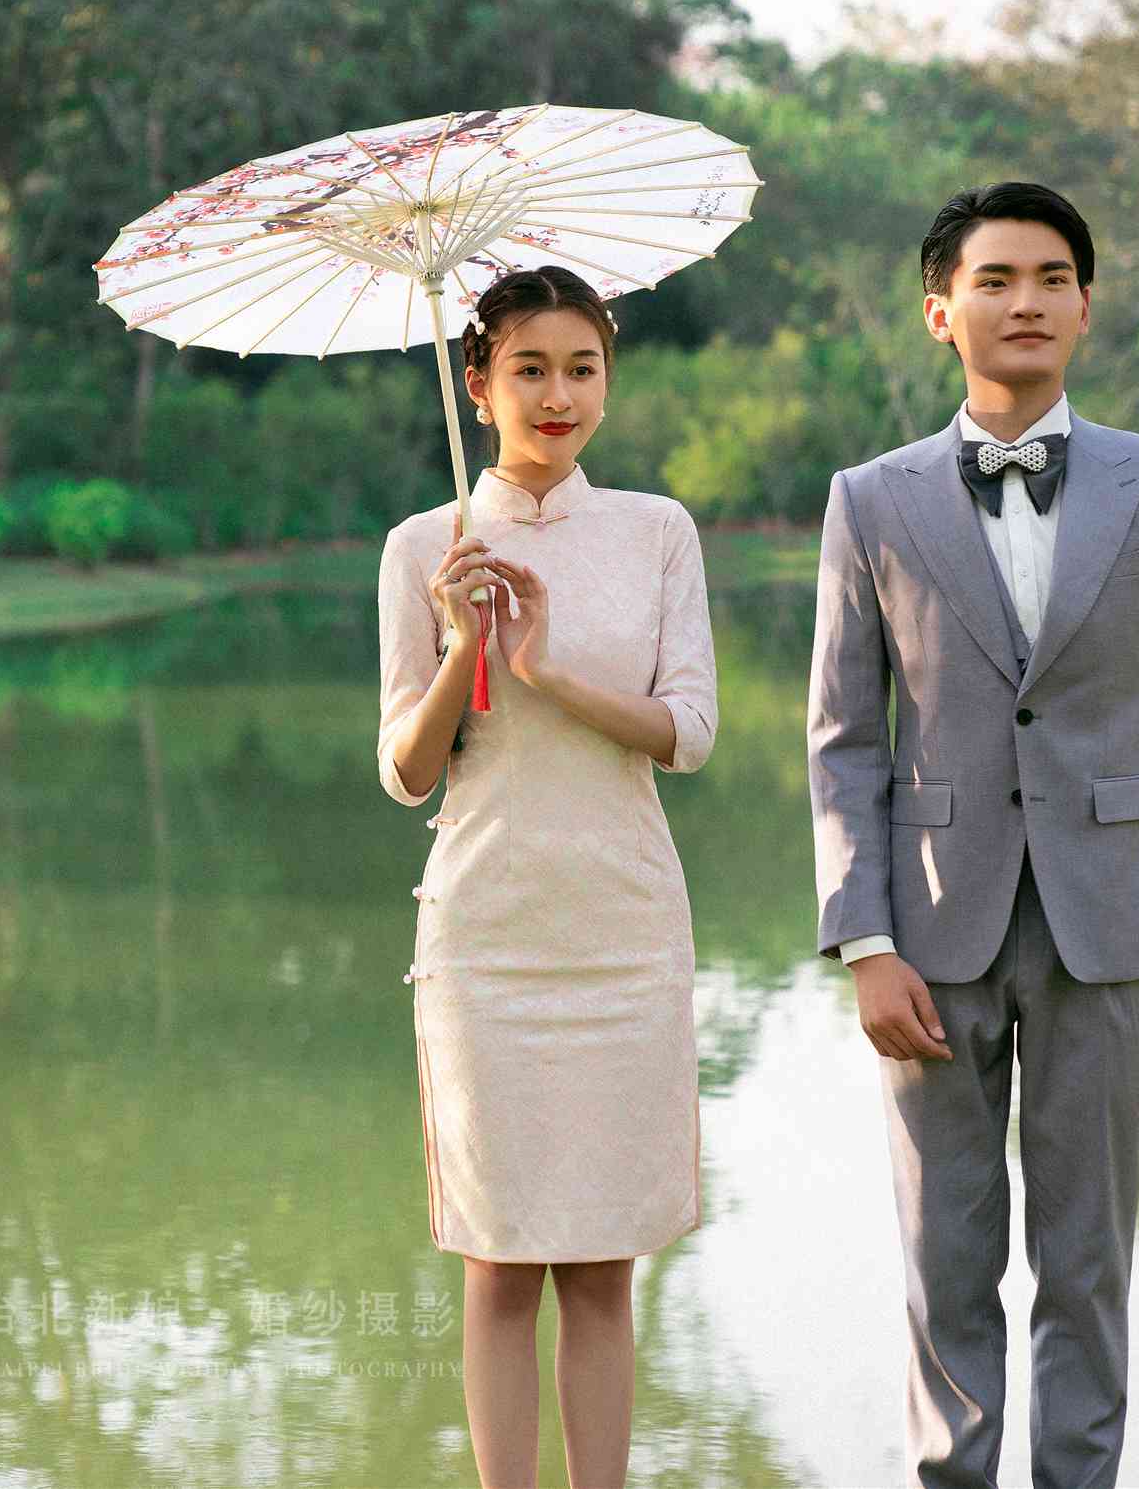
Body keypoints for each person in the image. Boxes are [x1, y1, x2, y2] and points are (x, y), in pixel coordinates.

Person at [806, 182, 1139, 1488]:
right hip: (927, 929)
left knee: (1087, 1259)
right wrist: (862, 939)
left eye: (1052, 278)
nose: (1026, 301)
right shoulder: (870, 498)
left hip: (1105, 921)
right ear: (939, 310)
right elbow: (843, 739)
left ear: (1084, 305)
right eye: (996, 278)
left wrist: (1121, 789)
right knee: (944, 1257)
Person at [375, 263, 718, 1489]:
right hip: (485, 942)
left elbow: (689, 733)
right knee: (499, 1262)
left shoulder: (657, 530)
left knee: (603, 1267)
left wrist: (543, 666)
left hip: (623, 930)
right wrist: (460, 644)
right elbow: (405, 771)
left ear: (608, 382)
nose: (557, 394)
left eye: (582, 368)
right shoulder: (421, 547)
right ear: (477, 384)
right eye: (529, 368)